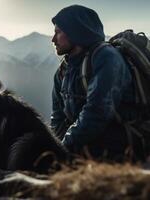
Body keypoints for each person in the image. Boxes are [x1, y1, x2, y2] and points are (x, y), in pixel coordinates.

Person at [50, 5, 146, 161]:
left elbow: (97, 112)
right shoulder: (63, 71)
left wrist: (63, 149)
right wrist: (56, 149)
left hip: (125, 148)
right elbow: (58, 117)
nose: (53, 39)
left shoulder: (107, 58)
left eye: (58, 32)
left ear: (76, 32)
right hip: (85, 146)